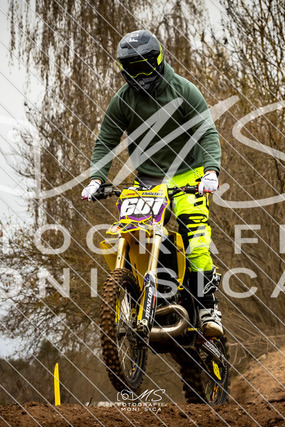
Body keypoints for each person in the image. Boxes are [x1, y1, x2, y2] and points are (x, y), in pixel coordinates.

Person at [81, 30, 223, 337]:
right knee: (133, 233)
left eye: (145, 67)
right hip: (147, 180)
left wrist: (211, 171)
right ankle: (146, 295)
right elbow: (106, 140)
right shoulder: (123, 100)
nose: (140, 75)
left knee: (195, 235)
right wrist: (96, 178)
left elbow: (207, 132)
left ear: (157, 61)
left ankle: (208, 308)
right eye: (133, 69)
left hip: (189, 174)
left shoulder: (183, 90)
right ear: (124, 70)